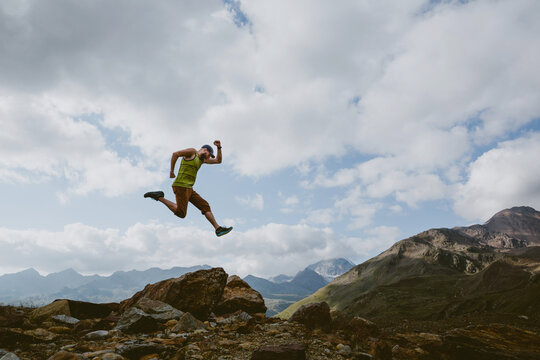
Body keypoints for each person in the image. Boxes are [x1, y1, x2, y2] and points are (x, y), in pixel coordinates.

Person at [144, 140, 233, 237]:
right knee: (181, 213)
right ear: (204, 149)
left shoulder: (202, 160)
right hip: (180, 186)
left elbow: (218, 161)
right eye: (209, 154)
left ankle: (218, 229)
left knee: (205, 206)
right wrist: (172, 171)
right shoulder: (192, 152)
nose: (208, 157)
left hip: (189, 188)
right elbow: (175, 154)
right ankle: (159, 197)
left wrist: (219, 148)